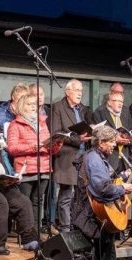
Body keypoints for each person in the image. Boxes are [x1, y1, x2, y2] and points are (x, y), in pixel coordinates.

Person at [71, 125, 132, 260]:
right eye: (112, 142)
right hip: (92, 219)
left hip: (96, 219)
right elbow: (102, 189)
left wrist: (121, 178)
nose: (114, 146)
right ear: (101, 142)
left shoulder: (97, 158)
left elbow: (106, 181)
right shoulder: (94, 160)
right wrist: (122, 189)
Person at [7, 94, 62, 227]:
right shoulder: (15, 125)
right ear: (22, 106)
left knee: (38, 201)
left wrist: (56, 144)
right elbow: (12, 148)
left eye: (34, 104)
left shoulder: (42, 123)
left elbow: (49, 149)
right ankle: (27, 232)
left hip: (43, 168)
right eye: (29, 104)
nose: (33, 107)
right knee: (25, 202)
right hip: (26, 170)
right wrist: (32, 147)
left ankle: (36, 231)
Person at [51, 79, 92, 232]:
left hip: (83, 157)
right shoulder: (58, 107)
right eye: (76, 90)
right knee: (66, 195)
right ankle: (65, 229)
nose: (80, 93)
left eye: (81, 90)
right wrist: (77, 139)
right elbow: (56, 133)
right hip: (67, 157)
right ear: (67, 92)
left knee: (80, 196)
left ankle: (77, 228)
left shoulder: (83, 109)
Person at [90, 91, 132, 172]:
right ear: (109, 102)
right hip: (109, 157)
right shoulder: (99, 113)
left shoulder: (125, 114)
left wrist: (128, 140)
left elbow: (130, 132)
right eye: (117, 101)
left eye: (121, 101)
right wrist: (115, 140)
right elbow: (97, 136)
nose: (120, 104)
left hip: (124, 159)